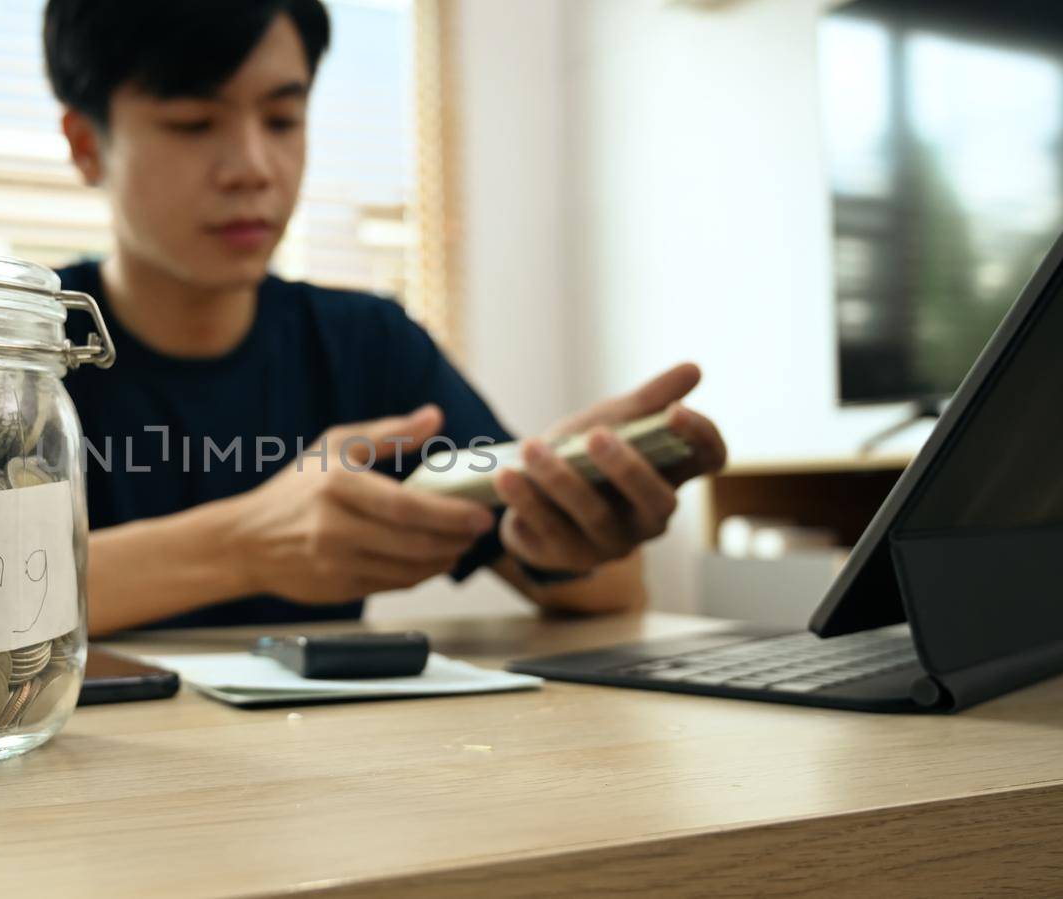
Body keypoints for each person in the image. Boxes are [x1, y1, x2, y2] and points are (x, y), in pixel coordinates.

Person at [43, 0, 728, 636]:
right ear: (86, 144)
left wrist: (571, 521)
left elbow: (607, 593)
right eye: (193, 122)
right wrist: (245, 545)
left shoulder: (367, 344)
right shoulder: (7, 353)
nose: (253, 168)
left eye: (283, 120)